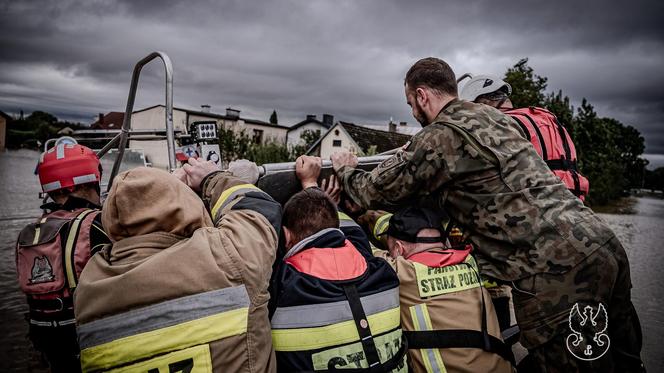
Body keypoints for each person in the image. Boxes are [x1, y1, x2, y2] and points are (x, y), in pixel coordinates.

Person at [331, 57, 645, 373]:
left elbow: (370, 192)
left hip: (557, 270)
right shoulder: (497, 119)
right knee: (626, 361)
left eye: (411, 102)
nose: (413, 112)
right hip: (603, 244)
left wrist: (344, 168)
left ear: (423, 96)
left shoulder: (439, 135)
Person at [74, 158, 281, 372]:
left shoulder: (89, 289)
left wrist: (158, 195)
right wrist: (213, 178)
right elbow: (260, 210)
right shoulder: (225, 257)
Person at [269, 155, 407, 372]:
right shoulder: (381, 273)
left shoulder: (282, 284)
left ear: (285, 236)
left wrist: (310, 188)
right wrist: (316, 191)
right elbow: (353, 235)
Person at [365, 206, 514, 373]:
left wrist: (366, 215)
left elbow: (361, 247)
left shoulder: (400, 271)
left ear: (398, 249)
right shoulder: (469, 262)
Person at [15, 143, 109, 373]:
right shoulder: (97, 224)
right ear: (89, 184)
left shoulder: (31, 231)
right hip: (86, 336)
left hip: (44, 335)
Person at [458, 74, 589, 201]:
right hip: (574, 199)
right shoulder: (546, 118)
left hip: (537, 203)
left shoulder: (501, 124)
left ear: (483, 103)